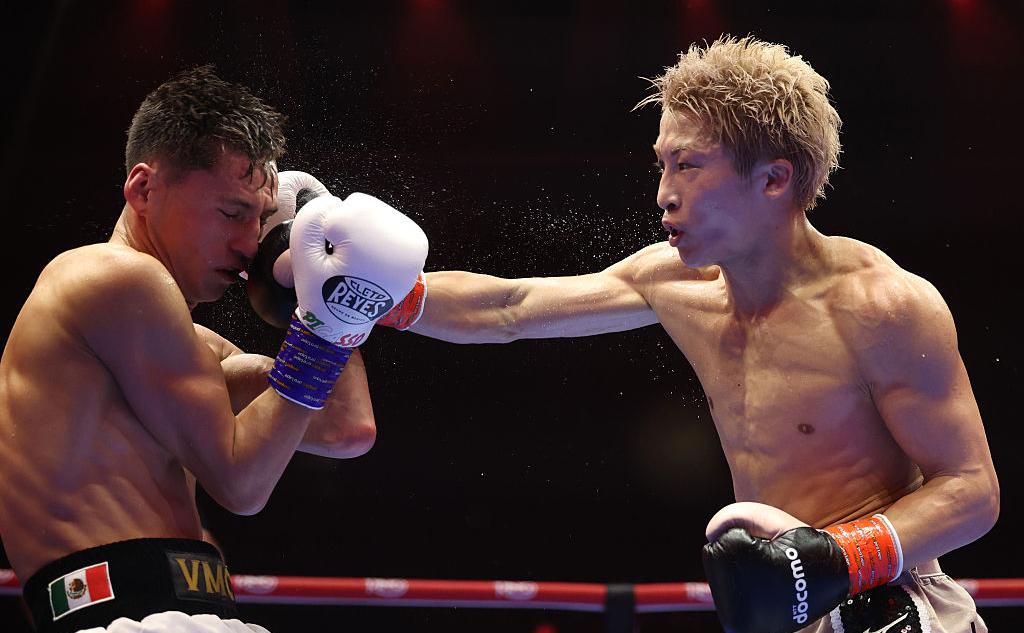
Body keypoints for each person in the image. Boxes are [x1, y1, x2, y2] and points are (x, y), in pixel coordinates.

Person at [362, 36, 999, 632]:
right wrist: (372, 293)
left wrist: (840, 558)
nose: (664, 194)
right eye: (663, 164)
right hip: (780, 608)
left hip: (889, 594)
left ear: (773, 179)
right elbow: (511, 307)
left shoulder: (879, 307)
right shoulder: (675, 283)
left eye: (689, 165)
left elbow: (972, 490)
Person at [0, 66, 427, 633]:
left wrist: (320, 289)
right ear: (144, 190)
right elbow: (241, 484)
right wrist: (323, 330)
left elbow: (345, 426)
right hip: (125, 618)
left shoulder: (188, 349)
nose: (250, 244)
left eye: (261, 221)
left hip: (193, 615)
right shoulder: (111, 276)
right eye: (232, 213)